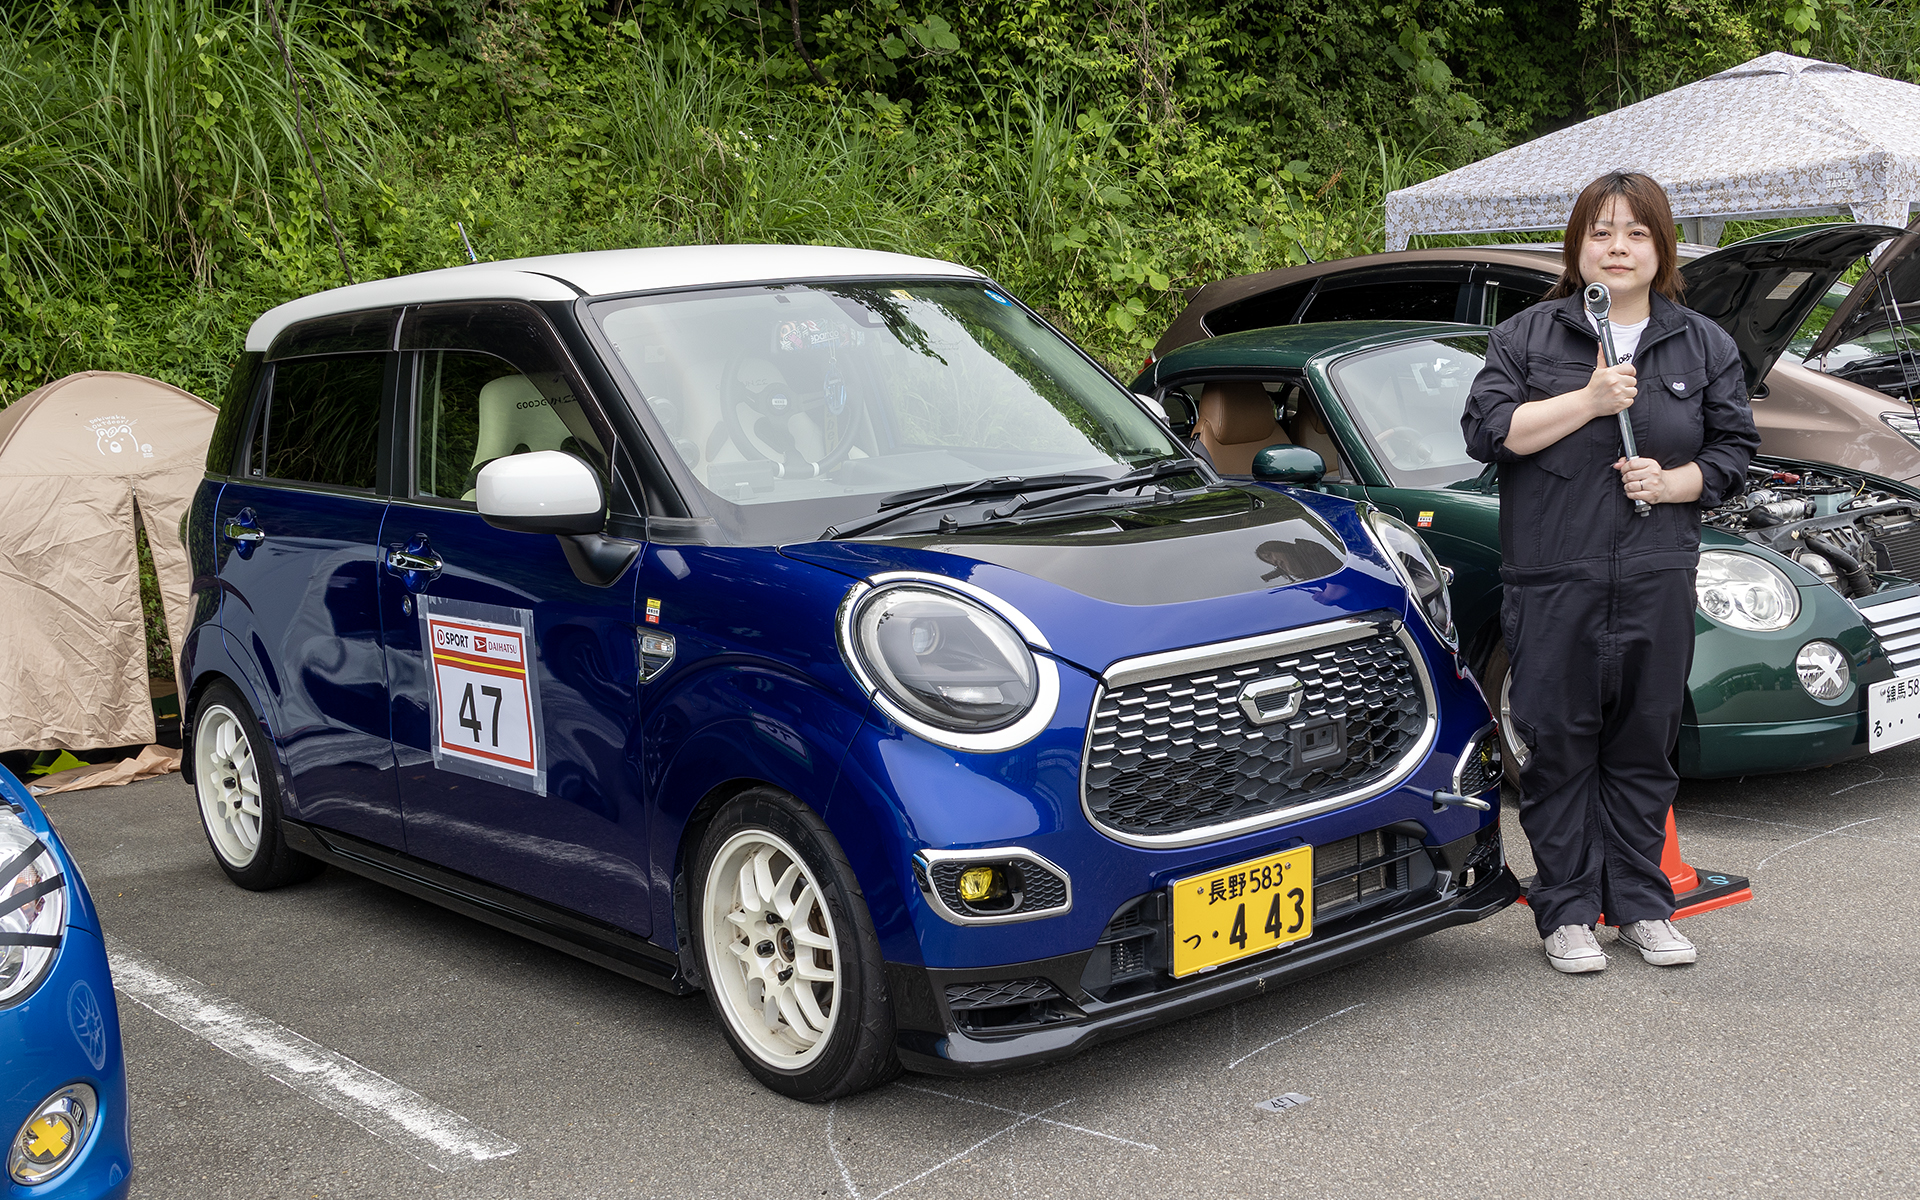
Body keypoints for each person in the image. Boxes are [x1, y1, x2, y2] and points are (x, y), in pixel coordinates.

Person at [1461, 172, 1760, 974]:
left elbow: (1735, 451)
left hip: (1657, 575)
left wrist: (1674, 482)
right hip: (1554, 578)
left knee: (1643, 747)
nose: (1617, 247)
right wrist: (1589, 401)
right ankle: (1565, 913)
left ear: (1661, 248)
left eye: (1635, 232)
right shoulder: (1528, 337)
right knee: (1559, 747)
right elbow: (1489, 431)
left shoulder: (1702, 343)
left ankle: (1641, 905)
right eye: (1601, 232)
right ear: (1577, 246)